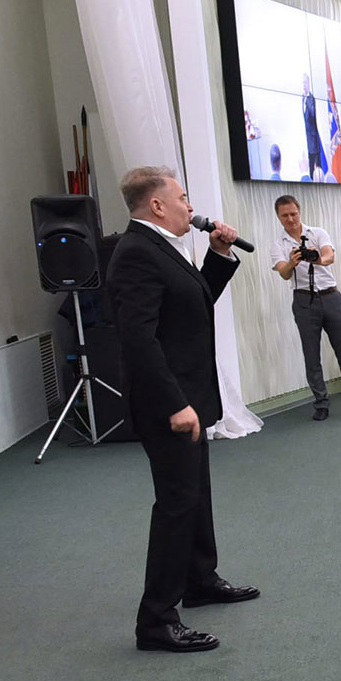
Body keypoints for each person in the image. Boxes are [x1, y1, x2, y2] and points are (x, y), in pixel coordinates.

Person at [108, 165, 259, 655]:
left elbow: (194, 304)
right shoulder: (136, 252)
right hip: (167, 402)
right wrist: (175, 404)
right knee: (176, 504)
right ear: (156, 205)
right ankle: (155, 620)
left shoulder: (163, 247)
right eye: (182, 197)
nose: (190, 207)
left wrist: (218, 255)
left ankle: (199, 580)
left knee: (196, 495)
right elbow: (138, 339)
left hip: (189, 394)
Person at [271, 195, 341, 421]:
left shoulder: (317, 233)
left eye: (293, 214)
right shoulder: (278, 244)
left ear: (300, 211)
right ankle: (321, 403)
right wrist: (292, 262)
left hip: (330, 297)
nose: (290, 219)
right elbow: (284, 273)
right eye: (285, 216)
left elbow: (329, 256)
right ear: (278, 217)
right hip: (303, 300)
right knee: (311, 354)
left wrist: (315, 258)